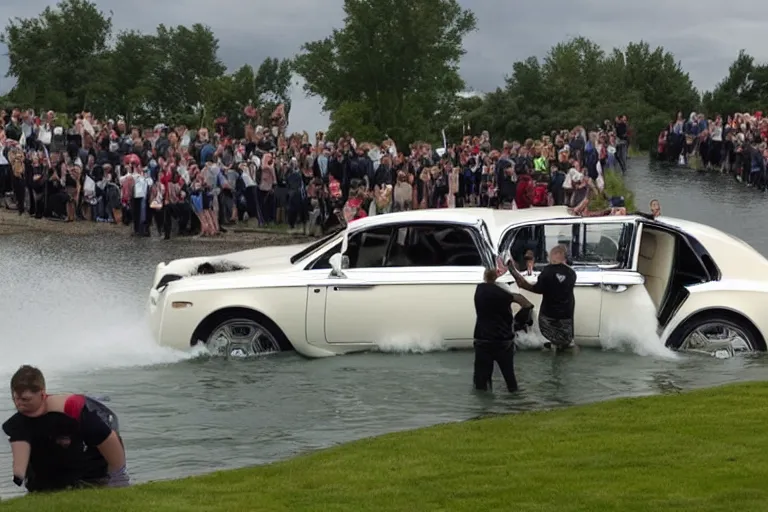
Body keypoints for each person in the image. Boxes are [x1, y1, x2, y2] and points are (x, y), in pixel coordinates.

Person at [2, 365, 130, 492]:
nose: (19, 404)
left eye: (25, 399)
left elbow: (109, 439)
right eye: (16, 399)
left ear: (42, 393)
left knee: (96, 474)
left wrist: (118, 478)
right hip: (62, 437)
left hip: (97, 421)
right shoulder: (21, 419)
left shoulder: (71, 409)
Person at [472, 264, 535, 392]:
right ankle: (513, 404)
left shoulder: (479, 290)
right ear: (498, 275)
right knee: (509, 378)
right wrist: (517, 322)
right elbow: (527, 304)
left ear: (484, 276)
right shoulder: (504, 294)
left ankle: (483, 408)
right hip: (503, 340)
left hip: (482, 339)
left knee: (481, 381)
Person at [507, 245, 577, 352]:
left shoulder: (547, 272)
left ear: (553, 256)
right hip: (566, 315)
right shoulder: (572, 274)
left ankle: (552, 351)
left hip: (549, 314)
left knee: (550, 341)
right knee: (566, 343)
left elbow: (539, 289)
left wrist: (520, 280)